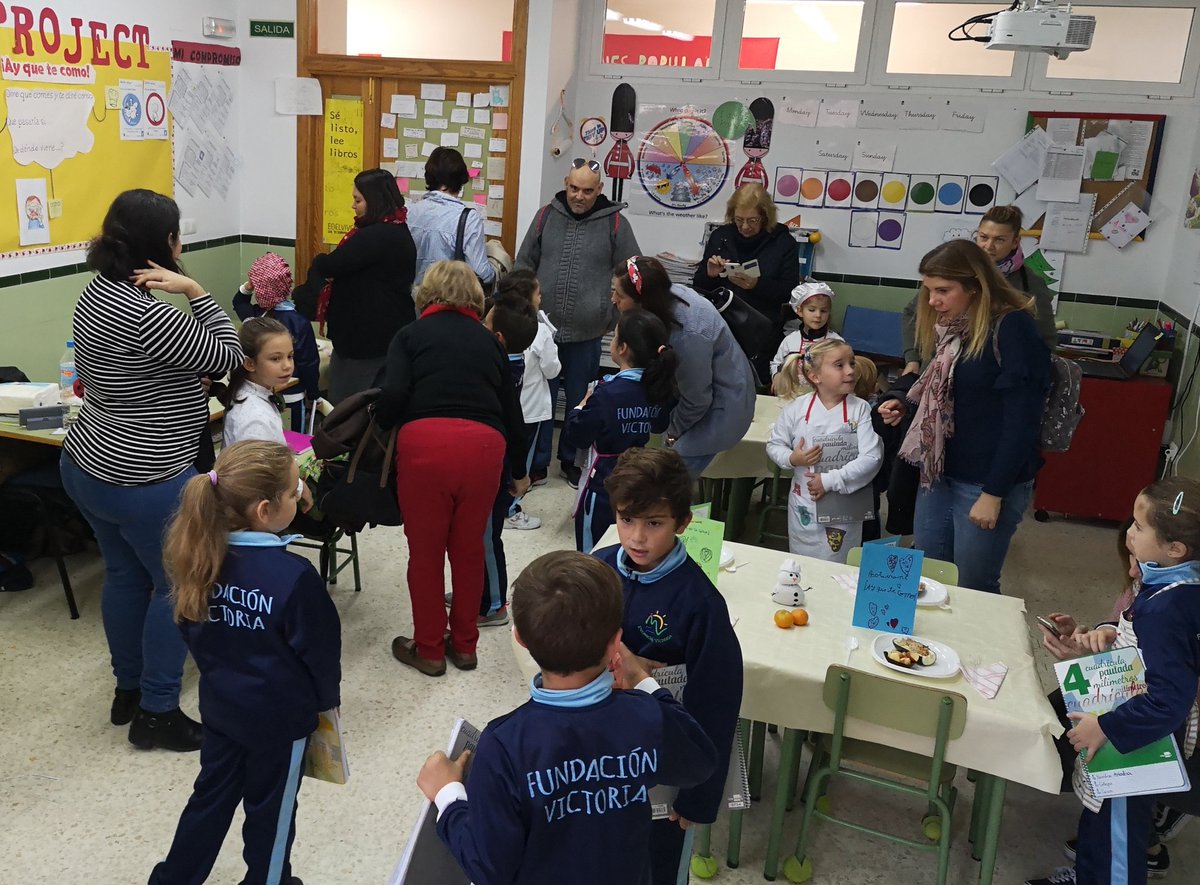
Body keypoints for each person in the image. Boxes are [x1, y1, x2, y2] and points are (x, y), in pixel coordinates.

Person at [60, 189, 242, 752]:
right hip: (145, 475)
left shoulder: (93, 294)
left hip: (87, 462)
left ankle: (128, 689)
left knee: (123, 577)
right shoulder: (151, 311)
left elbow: (134, 373)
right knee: (178, 588)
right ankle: (159, 711)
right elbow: (229, 356)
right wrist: (198, 291)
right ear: (166, 243)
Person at [417, 551, 717, 885]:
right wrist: (645, 683)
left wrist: (448, 795)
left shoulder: (503, 745)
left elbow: (488, 867)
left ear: (519, 639)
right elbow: (700, 760)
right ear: (616, 643)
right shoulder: (645, 714)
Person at [150, 441, 341, 885]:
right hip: (280, 720)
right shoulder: (293, 576)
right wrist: (326, 704)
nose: (300, 498)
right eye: (295, 493)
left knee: (209, 799)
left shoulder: (198, 558)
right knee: (271, 812)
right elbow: (321, 653)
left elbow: (187, 626)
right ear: (264, 510)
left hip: (221, 708)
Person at [1026, 479, 1200, 885]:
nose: (1129, 534)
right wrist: (1105, 633)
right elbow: (1145, 642)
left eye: (1139, 528)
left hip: (1140, 739)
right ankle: (1088, 873)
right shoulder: (1171, 585)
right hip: (1132, 720)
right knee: (1101, 817)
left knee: (1117, 830)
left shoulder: (1168, 608)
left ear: (1176, 549)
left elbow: (1167, 700)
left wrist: (1104, 726)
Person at [593, 448, 743, 885]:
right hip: (596, 753)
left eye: (654, 523)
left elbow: (716, 702)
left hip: (660, 765)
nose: (637, 537)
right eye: (626, 519)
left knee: (656, 864)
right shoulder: (597, 572)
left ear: (682, 523)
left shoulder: (701, 603)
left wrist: (697, 796)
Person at [376, 260, 529, 677]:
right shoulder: (490, 343)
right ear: (476, 300)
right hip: (484, 447)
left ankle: (427, 649)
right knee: (468, 550)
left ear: (427, 294)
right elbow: (511, 412)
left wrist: (382, 425)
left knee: (425, 554)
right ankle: (464, 646)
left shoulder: (409, 335)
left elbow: (392, 395)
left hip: (425, 445)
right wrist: (520, 470)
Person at [878, 240, 1050, 594]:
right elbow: (950, 396)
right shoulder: (953, 329)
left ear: (976, 285)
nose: (932, 301)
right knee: (928, 578)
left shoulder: (1013, 328)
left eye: (943, 290)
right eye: (929, 290)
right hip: (940, 473)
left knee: (974, 586)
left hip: (985, 481)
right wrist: (906, 406)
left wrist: (994, 493)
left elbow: (1022, 421)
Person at [514, 157, 641, 487]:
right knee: (539, 400)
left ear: (599, 190)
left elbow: (632, 274)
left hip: (587, 333)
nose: (579, 196)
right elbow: (524, 263)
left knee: (580, 401)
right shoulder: (545, 217)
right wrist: (521, 311)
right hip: (541, 332)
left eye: (587, 190)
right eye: (573, 188)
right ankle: (537, 462)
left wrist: (612, 316)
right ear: (565, 185)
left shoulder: (616, 224)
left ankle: (570, 460)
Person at [610, 256, 756, 477]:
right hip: (697, 395)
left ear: (643, 299)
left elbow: (697, 400)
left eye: (619, 296)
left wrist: (672, 434)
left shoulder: (688, 333)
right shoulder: (665, 295)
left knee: (670, 481)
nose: (613, 300)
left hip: (722, 408)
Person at [297, 168, 415, 404]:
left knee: (348, 411)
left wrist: (319, 262)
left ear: (376, 201)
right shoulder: (397, 228)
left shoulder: (374, 236)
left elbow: (330, 265)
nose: (353, 206)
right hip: (388, 335)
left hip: (365, 345)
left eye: (358, 200)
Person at [564, 309, 678, 553]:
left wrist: (580, 406)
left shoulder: (606, 393)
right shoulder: (659, 388)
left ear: (622, 348)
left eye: (614, 336)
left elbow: (578, 434)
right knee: (629, 548)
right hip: (641, 478)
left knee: (593, 554)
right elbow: (658, 424)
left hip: (603, 484)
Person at [901, 205, 1057, 374]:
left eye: (999, 240)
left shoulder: (1031, 284)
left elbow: (1045, 342)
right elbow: (914, 313)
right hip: (937, 372)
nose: (988, 246)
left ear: (1015, 242)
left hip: (992, 378)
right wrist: (912, 360)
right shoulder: (955, 271)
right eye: (983, 237)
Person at [766, 340, 883, 562]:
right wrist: (792, 458)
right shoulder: (796, 409)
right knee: (803, 561)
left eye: (852, 363)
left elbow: (872, 457)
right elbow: (774, 445)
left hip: (844, 506)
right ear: (815, 376)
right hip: (805, 505)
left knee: (839, 563)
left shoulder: (860, 410)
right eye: (839, 365)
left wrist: (829, 480)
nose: (850, 370)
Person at [692, 183, 800, 379]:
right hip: (721, 326)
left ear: (765, 216)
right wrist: (710, 274)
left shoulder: (783, 243)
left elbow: (790, 292)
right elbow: (698, 286)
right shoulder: (721, 236)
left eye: (752, 220)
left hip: (762, 331)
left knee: (754, 388)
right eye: (739, 219)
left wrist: (757, 285)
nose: (745, 227)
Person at [478, 291, 539, 628]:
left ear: (498, 338)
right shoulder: (509, 357)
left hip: (496, 465)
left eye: (485, 323)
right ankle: (478, 592)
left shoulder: (502, 366)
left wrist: (519, 472)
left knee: (487, 536)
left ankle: (494, 605)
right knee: (476, 534)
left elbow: (515, 425)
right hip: (491, 461)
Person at [233, 251, 320, 429]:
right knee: (294, 443)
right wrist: (313, 394)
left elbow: (239, 302)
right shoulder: (299, 322)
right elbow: (309, 363)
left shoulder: (255, 319)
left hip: (262, 393)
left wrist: (248, 287)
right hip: (292, 395)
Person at [503, 269, 560, 520]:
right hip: (531, 409)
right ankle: (512, 508)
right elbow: (552, 369)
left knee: (503, 458)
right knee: (522, 461)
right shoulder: (541, 331)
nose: (541, 296)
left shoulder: (497, 323)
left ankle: (499, 504)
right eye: (538, 292)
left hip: (504, 407)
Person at [406, 147, 496, 287]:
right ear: (459, 180)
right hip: (449, 300)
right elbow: (481, 272)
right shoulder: (468, 218)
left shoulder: (410, 212)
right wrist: (496, 267)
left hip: (413, 298)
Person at [220, 317, 293, 448]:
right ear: (249, 363)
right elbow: (261, 468)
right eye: (276, 358)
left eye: (290, 356)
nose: (287, 365)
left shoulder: (249, 392)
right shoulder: (255, 419)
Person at [769, 280, 844, 392]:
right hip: (793, 394)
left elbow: (844, 369)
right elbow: (777, 363)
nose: (818, 315)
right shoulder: (790, 340)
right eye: (812, 310)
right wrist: (777, 375)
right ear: (799, 311)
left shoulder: (836, 342)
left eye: (823, 311)